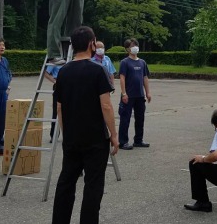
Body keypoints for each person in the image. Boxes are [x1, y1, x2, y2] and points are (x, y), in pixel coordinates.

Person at [52, 26, 118, 224]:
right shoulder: (98, 70)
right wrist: (114, 135)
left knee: (66, 182)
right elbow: (106, 105)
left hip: (72, 137)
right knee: (93, 185)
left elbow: (60, 108)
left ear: (72, 45)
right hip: (95, 138)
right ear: (92, 44)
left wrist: (65, 134)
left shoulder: (63, 72)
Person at [117, 38, 152, 150]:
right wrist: (123, 93)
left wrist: (148, 92)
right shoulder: (125, 62)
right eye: (132, 45)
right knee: (125, 118)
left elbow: (145, 77)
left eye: (136, 45)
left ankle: (138, 140)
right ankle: (123, 142)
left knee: (140, 118)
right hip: (128, 95)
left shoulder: (142, 62)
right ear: (127, 48)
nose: (135, 47)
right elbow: (122, 78)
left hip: (140, 95)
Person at [42, 64, 61, 143]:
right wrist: (55, 81)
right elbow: (45, 73)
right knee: (56, 111)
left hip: (69, 84)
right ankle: (53, 135)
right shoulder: (56, 60)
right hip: (58, 84)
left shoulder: (69, 58)